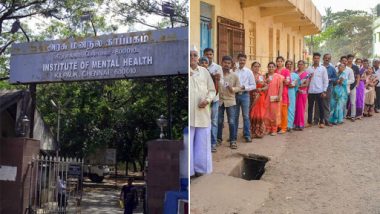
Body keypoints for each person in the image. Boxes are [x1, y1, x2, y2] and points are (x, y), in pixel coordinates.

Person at [190, 47, 216, 176]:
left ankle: (202, 169)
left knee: (203, 142)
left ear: (198, 58)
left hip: (202, 112)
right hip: (189, 114)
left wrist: (207, 100)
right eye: (190, 55)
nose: (193, 58)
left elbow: (212, 90)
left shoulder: (204, 72)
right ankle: (189, 171)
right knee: (188, 143)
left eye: (195, 55)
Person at [217, 55, 241, 149]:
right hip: (220, 100)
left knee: (231, 121)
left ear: (231, 65)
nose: (226, 65)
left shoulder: (234, 75)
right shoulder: (218, 75)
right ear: (221, 63)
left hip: (230, 101)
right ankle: (218, 139)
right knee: (219, 121)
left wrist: (232, 89)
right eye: (225, 63)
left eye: (228, 63)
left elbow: (239, 87)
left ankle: (233, 141)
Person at [203, 48, 222, 153]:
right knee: (204, 121)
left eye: (211, 54)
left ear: (213, 55)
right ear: (204, 55)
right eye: (207, 54)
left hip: (214, 99)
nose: (209, 56)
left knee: (214, 122)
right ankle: (204, 143)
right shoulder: (200, 67)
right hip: (203, 100)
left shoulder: (218, 67)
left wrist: (218, 79)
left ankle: (213, 144)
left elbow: (222, 82)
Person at [234, 53, 256, 142]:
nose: (242, 62)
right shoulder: (234, 71)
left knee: (246, 116)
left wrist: (244, 87)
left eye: (243, 60)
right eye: (240, 60)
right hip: (235, 95)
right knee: (234, 116)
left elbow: (253, 85)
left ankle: (247, 135)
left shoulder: (249, 72)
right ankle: (233, 136)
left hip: (245, 95)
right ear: (237, 60)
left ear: (245, 61)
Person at [314, 53, 337, 126]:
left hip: (328, 88)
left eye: (328, 58)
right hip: (319, 89)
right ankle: (316, 120)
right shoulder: (319, 67)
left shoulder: (332, 68)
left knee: (326, 104)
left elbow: (336, 78)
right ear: (323, 58)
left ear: (330, 59)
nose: (327, 59)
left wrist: (330, 79)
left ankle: (326, 120)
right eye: (325, 58)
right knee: (317, 104)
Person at [306, 52, 329, 128]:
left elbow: (326, 80)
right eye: (315, 58)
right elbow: (306, 79)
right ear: (313, 59)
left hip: (320, 91)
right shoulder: (309, 69)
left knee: (320, 107)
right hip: (311, 91)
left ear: (319, 59)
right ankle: (309, 122)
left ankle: (321, 122)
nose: (316, 59)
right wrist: (309, 77)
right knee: (310, 107)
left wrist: (324, 91)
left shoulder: (323, 68)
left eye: (317, 58)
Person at [264, 62, 283, 136]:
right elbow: (262, 85)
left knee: (274, 114)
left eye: (272, 67)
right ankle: (268, 128)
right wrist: (266, 82)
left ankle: (274, 129)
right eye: (269, 67)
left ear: (275, 68)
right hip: (266, 97)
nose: (271, 68)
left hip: (275, 97)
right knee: (266, 114)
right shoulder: (265, 76)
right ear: (267, 67)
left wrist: (279, 95)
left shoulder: (279, 76)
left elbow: (281, 87)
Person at [249, 61, 268, 138]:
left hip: (259, 97)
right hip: (250, 96)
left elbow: (267, 86)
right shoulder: (249, 75)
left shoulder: (261, 76)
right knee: (251, 114)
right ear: (252, 67)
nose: (256, 68)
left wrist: (261, 89)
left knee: (259, 113)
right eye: (255, 66)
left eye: (258, 66)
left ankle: (259, 131)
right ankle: (251, 132)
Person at [275, 56, 291, 134]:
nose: (279, 63)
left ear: (283, 62)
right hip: (275, 92)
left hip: (284, 92)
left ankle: (284, 127)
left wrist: (282, 79)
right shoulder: (274, 70)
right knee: (276, 111)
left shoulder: (286, 71)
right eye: (278, 61)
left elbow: (288, 81)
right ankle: (278, 126)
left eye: (281, 61)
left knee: (283, 111)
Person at [294, 60, 310, 131]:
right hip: (295, 92)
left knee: (301, 108)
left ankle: (300, 124)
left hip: (302, 92)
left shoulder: (306, 74)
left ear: (304, 66)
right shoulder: (295, 73)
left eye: (301, 64)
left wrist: (298, 86)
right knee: (295, 108)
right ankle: (295, 124)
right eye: (299, 64)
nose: (300, 66)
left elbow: (306, 84)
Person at [346, 54, 361, 121]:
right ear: (347, 59)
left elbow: (358, 76)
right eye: (349, 58)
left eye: (352, 59)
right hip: (345, 86)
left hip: (353, 86)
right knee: (344, 101)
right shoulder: (344, 67)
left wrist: (357, 84)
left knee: (353, 102)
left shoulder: (355, 67)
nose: (350, 60)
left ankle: (353, 116)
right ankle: (344, 115)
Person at [287, 60, 300, 131]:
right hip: (284, 92)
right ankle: (283, 125)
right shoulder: (283, 74)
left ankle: (290, 125)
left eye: (290, 64)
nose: (289, 66)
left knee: (291, 108)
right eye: (287, 64)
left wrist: (292, 87)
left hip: (292, 92)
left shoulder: (296, 75)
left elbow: (296, 85)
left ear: (292, 66)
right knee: (284, 108)